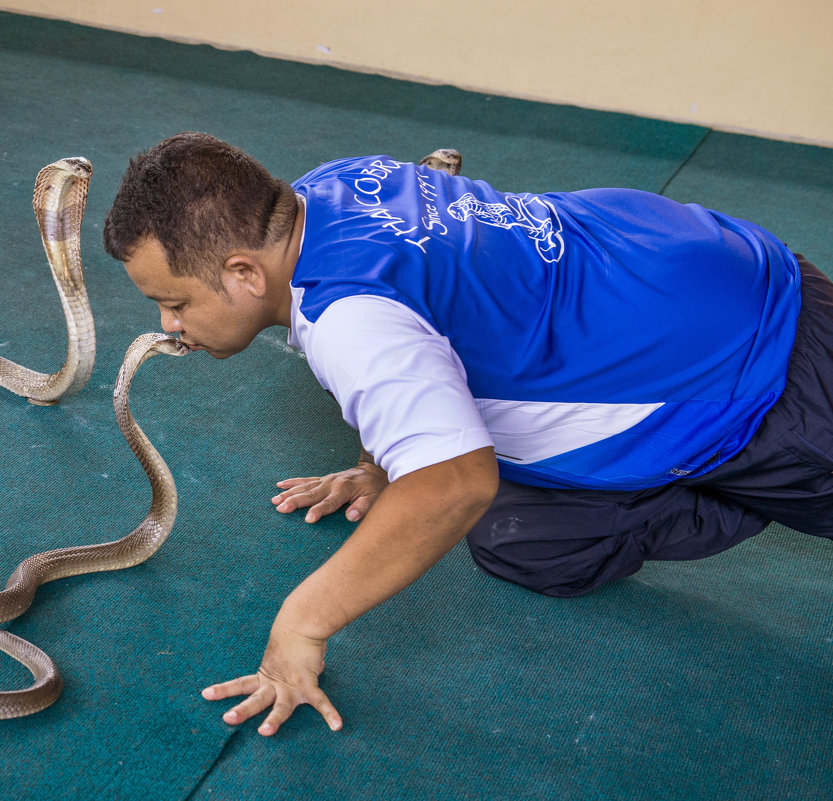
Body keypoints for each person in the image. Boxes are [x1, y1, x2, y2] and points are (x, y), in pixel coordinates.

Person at [102, 131, 833, 737]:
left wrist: (301, 624)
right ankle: (710, 476)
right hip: (678, 265)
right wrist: (381, 461)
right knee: (521, 541)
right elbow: (425, 316)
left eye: (173, 302)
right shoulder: (325, 189)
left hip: (756, 364)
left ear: (241, 273)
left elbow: (454, 482)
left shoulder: (349, 319)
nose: (168, 326)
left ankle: (730, 466)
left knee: (460, 495)